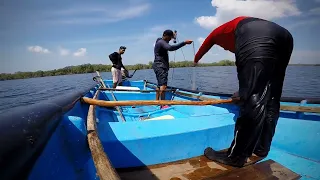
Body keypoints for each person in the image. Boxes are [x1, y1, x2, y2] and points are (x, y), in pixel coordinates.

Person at [193, 16, 293, 167]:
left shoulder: (221, 33)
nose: (229, 50)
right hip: (285, 36)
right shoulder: (235, 28)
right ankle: (261, 148)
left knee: (252, 97)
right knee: (272, 96)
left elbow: (206, 43)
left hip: (253, 31)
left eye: (228, 48)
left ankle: (236, 157)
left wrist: (196, 59)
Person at [153, 29, 193, 109]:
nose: (170, 39)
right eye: (169, 38)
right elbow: (170, 48)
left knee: (159, 85)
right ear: (165, 35)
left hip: (157, 65)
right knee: (163, 85)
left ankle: (157, 102)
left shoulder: (160, 41)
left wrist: (174, 36)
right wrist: (184, 43)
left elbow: (167, 43)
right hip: (160, 66)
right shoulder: (161, 42)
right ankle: (162, 104)